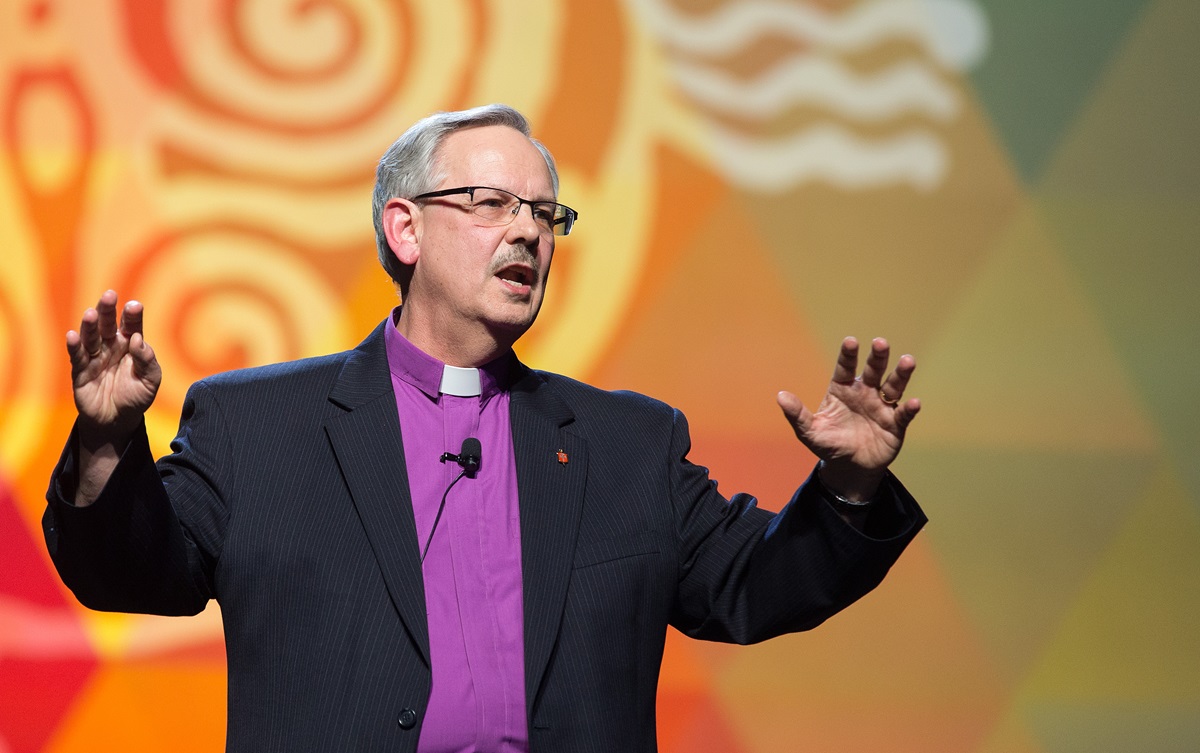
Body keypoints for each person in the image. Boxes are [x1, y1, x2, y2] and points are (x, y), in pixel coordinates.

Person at [45, 104, 926, 752]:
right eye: (491, 203)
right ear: (405, 228)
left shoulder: (629, 445)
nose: (528, 233)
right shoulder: (258, 423)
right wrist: (108, 444)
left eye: (545, 214)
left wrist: (849, 486)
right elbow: (134, 575)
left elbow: (752, 587)